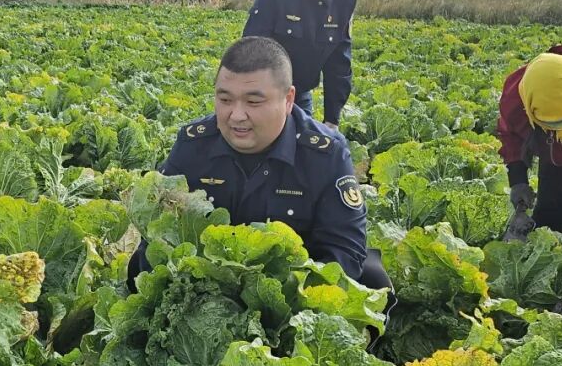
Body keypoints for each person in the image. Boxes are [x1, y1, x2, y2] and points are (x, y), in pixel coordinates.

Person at [127, 36, 391, 297]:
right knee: (137, 270)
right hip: (203, 293)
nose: (236, 116)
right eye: (225, 100)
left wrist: (279, 300)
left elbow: (344, 249)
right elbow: (158, 233)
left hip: (291, 296)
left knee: (373, 279)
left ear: (288, 100)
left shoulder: (325, 154)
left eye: (253, 102)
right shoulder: (193, 145)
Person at [242, 0, 365, 128]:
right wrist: (253, 100)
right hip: (265, 92)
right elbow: (253, 46)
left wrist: (332, 119)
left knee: (303, 144)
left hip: (299, 95)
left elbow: (339, 61)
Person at [497, 41, 562, 240]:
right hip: (556, 161)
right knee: (550, 219)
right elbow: (511, 134)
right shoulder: (518, 95)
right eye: (549, 124)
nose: (559, 130)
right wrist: (518, 180)